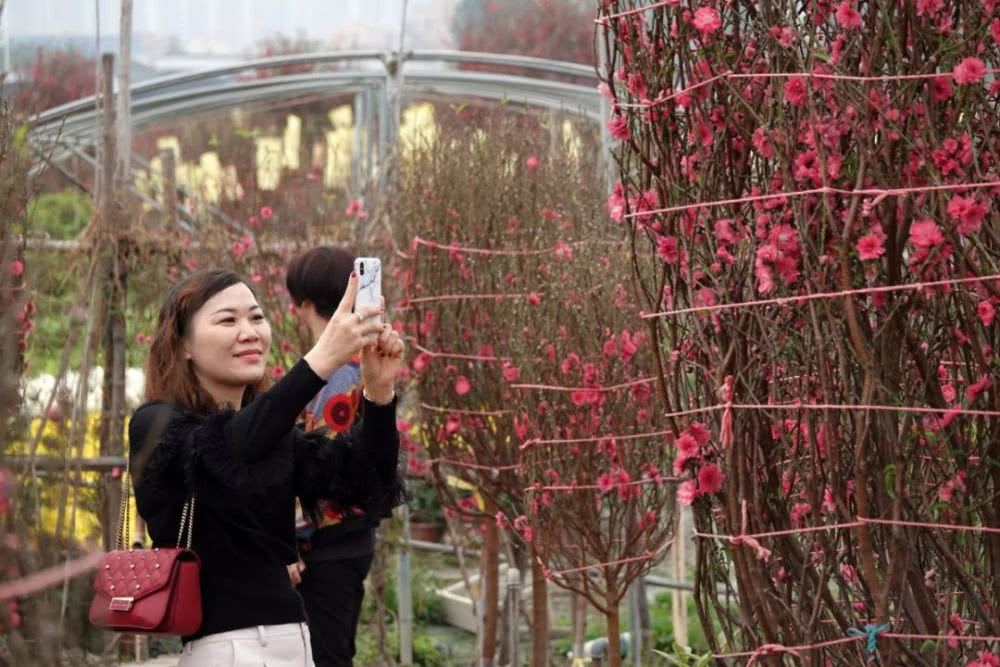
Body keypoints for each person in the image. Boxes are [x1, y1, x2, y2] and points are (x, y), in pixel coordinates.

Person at [129, 268, 405, 666]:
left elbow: (367, 480)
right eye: (228, 320)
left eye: (256, 317)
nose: (250, 332)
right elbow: (230, 450)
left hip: (293, 640)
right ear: (183, 343)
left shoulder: (272, 437)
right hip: (227, 650)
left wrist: (378, 392)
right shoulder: (156, 425)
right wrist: (323, 358)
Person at [285, 247, 385, 667]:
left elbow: (319, 464)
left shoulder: (336, 374)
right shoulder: (361, 366)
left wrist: (290, 542)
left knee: (323, 654)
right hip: (348, 538)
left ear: (303, 304)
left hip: (325, 544)